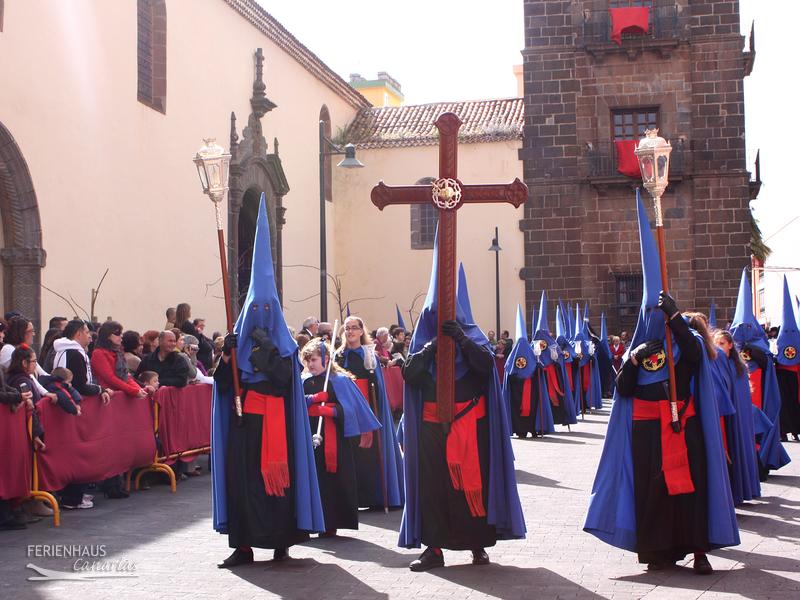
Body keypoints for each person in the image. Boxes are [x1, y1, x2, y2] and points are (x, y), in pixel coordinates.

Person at [585, 194, 738, 575]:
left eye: (660, 311)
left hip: (683, 427)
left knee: (690, 489)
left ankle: (699, 550)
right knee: (653, 494)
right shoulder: (638, 348)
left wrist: (674, 319)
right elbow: (622, 389)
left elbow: (695, 356)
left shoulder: (687, 342)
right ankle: (657, 551)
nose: (655, 317)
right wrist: (634, 358)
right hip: (646, 432)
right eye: (651, 312)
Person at [211, 195, 324, 568]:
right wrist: (227, 356)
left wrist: (264, 353)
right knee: (244, 487)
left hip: (278, 424)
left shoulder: (288, 350)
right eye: (254, 310)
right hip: (245, 428)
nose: (259, 317)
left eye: (266, 310)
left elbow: (281, 383)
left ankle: (280, 541)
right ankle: (243, 546)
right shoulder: (237, 344)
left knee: (279, 486)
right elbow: (223, 386)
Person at [400, 258, 525, 571]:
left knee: (472, 486)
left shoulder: (473, 337)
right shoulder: (422, 341)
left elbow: (485, 367)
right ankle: (434, 549)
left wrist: (460, 339)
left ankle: (476, 544)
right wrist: (431, 347)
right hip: (431, 428)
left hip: (471, 425)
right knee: (433, 489)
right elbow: (410, 374)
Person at [301, 338, 381, 537]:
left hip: (335, 438)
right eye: (307, 360)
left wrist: (332, 411)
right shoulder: (304, 381)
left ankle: (331, 522)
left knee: (332, 481)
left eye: (314, 360)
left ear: (326, 359)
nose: (310, 364)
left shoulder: (340, 381)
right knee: (314, 478)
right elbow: (293, 405)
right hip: (309, 435)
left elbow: (352, 409)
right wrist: (311, 400)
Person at [335, 315, 404, 511]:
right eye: (347, 328)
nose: (350, 331)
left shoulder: (368, 355)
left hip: (366, 407)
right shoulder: (338, 356)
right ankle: (351, 498)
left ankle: (373, 497)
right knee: (349, 452)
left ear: (361, 331)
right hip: (345, 408)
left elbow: (377, 387)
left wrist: (373, 377)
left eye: (354, 328)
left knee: (368, 453)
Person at [729, 269, 791, 478]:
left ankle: (762, 463)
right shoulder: (729, 348)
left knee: (760, 430)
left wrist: (756, 353)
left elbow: (768, 367)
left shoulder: (761, 348)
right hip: (741, 395)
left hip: (760, 396)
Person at [710, 327, 762, 505]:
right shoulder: (717, 365)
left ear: (731, 345)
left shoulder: (737, 367)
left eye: (722, 343)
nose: (718, 347)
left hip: (737, 419)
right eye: (715, 343)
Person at [504, 305, 554, 438]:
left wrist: (537, 367)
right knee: (517, 411)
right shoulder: (512, 358)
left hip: (531, 389)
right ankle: (520, 430)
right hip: (517, 392)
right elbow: (508, 374)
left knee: (533, 408)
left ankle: (533, 428)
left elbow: (541, 372)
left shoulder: (533, 355)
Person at [774, 276, 800, 442]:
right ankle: (784, 430)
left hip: (794, 378)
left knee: (795, 406)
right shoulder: (775, 345)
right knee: (783, 406)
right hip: (782, 377)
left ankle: (795, 430)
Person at [91, 321, 147, 398]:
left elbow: (126, 376)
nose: (121, 337)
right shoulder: (98, 353)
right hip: (107, 398)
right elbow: (110, 378)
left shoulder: (119, 353)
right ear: (107, 335)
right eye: (117, 334)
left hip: (120, 396)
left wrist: (139, 389)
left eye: (121, 334)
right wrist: (133, 391)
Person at [175, 304, 214, 371]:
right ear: (186, 312)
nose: (190, 312)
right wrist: (198, 333)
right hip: (197, 352)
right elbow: (196, 339)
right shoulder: (187, 325)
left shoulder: (177, 324)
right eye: (189, 310)